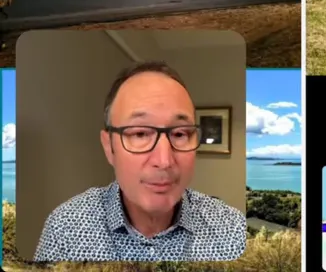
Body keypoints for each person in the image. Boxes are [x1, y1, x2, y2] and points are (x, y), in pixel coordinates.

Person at [33, 61, 245, 262]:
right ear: (109, 147)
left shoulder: (232, 232)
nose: (164, 161)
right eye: (140, 134)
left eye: (180, 134)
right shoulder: (65, 229)